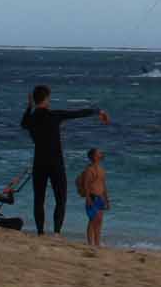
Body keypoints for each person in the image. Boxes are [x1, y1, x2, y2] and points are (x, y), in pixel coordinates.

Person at [20, 85, 109, 235]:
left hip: (39, 162)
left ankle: (40, 232)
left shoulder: (31, 119)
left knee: (39, 199)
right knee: (60, 199)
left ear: (35, 100)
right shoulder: (54, 115)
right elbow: (77, 113)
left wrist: (29, 106)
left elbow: (23, 123)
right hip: (56, 163)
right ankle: (56, 233)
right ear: (47, 98)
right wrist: (98, 111)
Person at [78, 148, 110, 249]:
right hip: (92, 197)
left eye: (101, 153)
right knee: (92, 220)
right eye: (99, 153)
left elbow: (104, 186)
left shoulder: (101, 170)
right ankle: (90, 243)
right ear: (94, 156)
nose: (101, 154)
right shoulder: (89, 170)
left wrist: (107, 200)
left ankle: (97, 243)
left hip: (100, 198)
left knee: (99, 220)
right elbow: (87, 186)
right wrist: (88, 199)